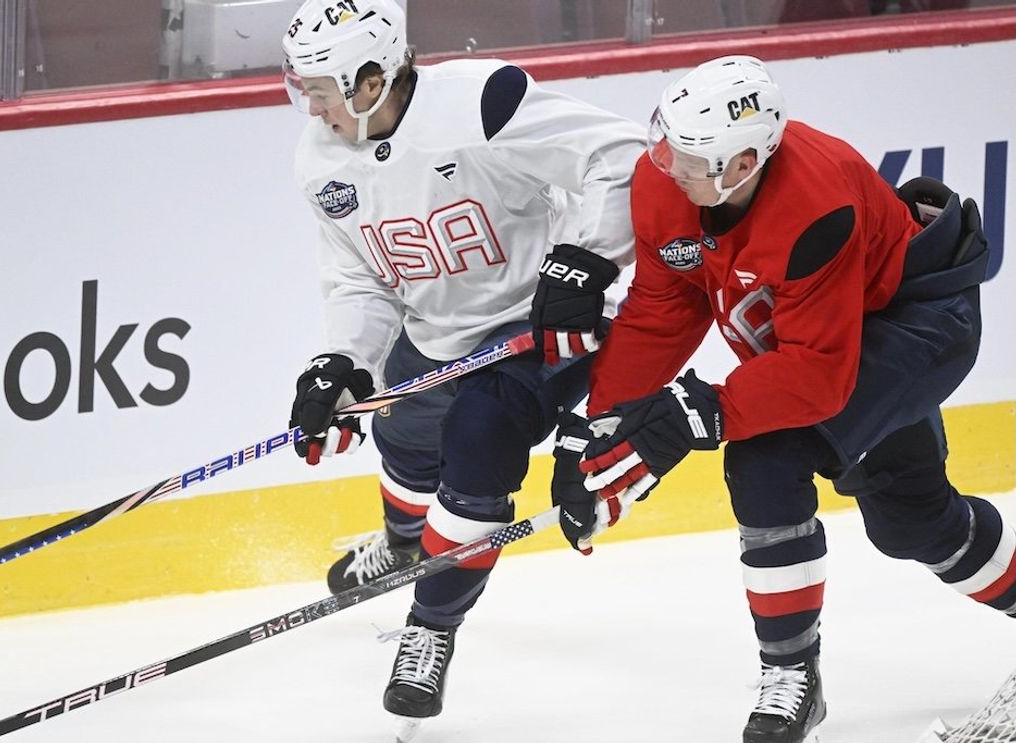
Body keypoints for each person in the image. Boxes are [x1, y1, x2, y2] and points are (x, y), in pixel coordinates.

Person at [550, 55, 1003, 742]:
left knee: (763, 455)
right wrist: (603, 424)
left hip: (916, 327)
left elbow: (818, 374)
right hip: (841, 335)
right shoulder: (666, 180)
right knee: (914, 523)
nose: (663, 160)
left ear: (742, 165)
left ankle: (792, 676)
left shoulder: (814, 204)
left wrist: (695, 410)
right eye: (663, 136)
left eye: (688, 154)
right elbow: (663, 307)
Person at [280, 0, 645, 729]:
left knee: (476, 442)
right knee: (406, 441)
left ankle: (431, 628)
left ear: (371, 79)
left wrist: (586, 262)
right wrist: (343, 359)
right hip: (437, 331)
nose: (308, 105)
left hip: (533, 326)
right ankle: (400, 543)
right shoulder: (320, 158)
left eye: (320, 87)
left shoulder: (482, 101)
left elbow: (622, 153)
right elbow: (361, 280)